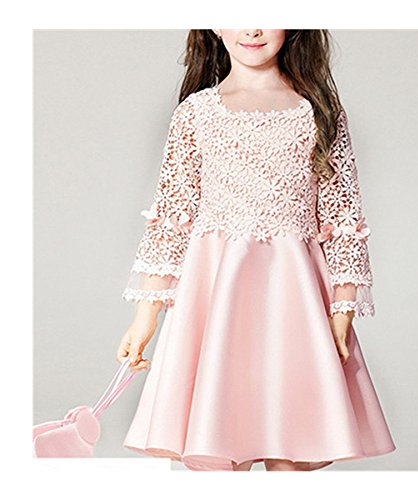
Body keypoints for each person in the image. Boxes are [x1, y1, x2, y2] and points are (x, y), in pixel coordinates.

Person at [116, 29, 396, 472]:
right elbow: (171, 216)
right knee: (219, 440)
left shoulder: (319, 111)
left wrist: (343, 308)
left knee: (293, 444)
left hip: (295, 300)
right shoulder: (195, 114)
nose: (252, 28)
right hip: (217, 299)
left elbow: (343, 216)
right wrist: (145, 315)